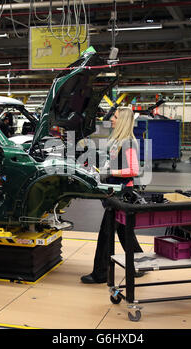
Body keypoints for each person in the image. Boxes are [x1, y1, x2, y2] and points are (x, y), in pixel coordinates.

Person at [81, 106, 143, 284]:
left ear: (122, 120)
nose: (112, 120)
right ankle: (139, 263)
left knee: (106, 233)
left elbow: (134, 169)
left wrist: (110, 172)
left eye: (115, 117)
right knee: (124, 231)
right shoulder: (118, 141)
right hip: (117, 191)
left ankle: (100, 274)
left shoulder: (128, 142)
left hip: (121, 195)